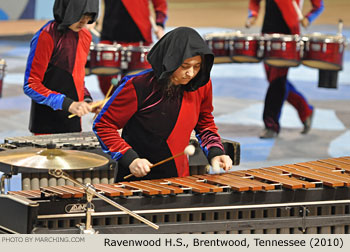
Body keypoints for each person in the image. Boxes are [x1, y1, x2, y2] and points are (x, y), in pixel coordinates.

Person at [93, 27, 233, 181]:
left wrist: (216, 152)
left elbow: (205, 124)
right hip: (136, 177)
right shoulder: (138, 86)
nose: (191, 73)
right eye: (185, 66)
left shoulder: (201, 85)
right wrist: (130, 159)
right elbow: (103, 125)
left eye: (197, 66)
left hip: (179, 178)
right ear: (171, 61)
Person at [245, 0, 324, 138]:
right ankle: (305, 110)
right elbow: (254, 2)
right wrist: (253, 14)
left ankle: (271, 125)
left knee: (277, 80)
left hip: (288, 36)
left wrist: (308, 18)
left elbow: (318, 6)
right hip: (267, 34)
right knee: (274, 79)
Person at [23, 0, 100, 135]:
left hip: (73, 125)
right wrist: (67, 104)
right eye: (80, 14)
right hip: (46, 125)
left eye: (88, 15)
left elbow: (77, 79)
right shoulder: (46, 36)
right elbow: (31, 85)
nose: (84, 20)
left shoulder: (85, 36)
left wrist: (87, 102)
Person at [96, 0, 167, 96]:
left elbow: (160, 4)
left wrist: (160, 24)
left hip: (140, 40)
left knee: (138, 88)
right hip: (110, 38)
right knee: (108, 88)